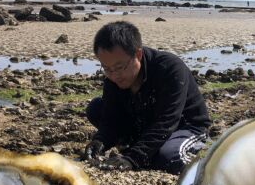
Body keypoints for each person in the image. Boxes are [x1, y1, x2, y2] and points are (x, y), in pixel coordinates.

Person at [83, 21, 211, 175]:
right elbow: (111, 118)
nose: (115, 75)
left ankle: (162, 152)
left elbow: (167, 121)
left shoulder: (170, 68)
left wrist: (132, 158)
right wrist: (100, 141)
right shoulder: (112, 79)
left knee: (169, 157)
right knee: (96, 108)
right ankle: (143, 148)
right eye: (107, 68)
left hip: (184, 126)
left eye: (119, 67)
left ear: (138, 54)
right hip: (143, 124)